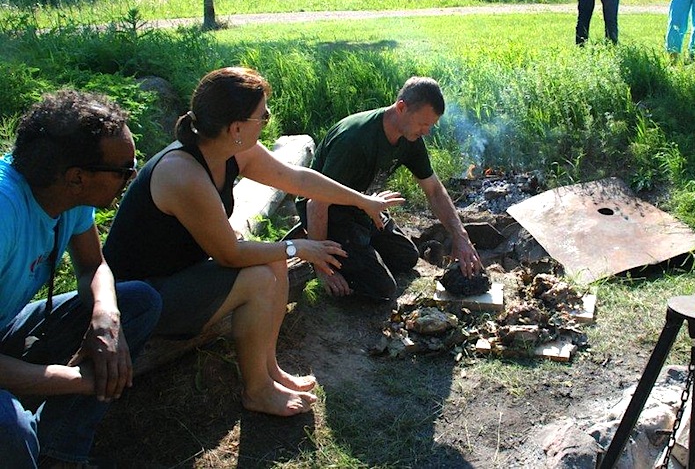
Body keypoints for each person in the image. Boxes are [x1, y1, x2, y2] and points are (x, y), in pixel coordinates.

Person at [103, 67, 404, 417]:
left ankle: (269, 370)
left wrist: (361, 200)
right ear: (236, 128)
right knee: (260, 275)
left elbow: (296, 178)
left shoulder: (229, 149)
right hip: (140, 300)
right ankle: (257, 391)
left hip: (179, 274)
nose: (267, 121)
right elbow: (230, 255)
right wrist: (298, 247)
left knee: (272, 260)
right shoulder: (182, 173)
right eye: (263, 115)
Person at [0, 90, 162, 468]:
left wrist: (105, 316)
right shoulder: (5, 213)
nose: (132, 175)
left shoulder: (64, 194)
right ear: (77, 177)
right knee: (11, 428)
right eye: (123, 169)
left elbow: (93, 266)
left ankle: (59, 452)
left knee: (139, 302)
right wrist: (83, 380)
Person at [300, 76, 483, 299]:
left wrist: (460, 236)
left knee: (406, 257)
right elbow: (316, 203)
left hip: (364, 205)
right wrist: (322, 269)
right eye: (423, 124)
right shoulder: (354, 140)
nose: (426, 131)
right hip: (329, 212)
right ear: (401, 108)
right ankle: (325, 250)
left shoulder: (411, 138)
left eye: (431, 125)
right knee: (382, 289)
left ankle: (360, 247)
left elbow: (434, 190)